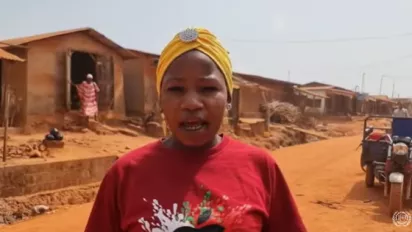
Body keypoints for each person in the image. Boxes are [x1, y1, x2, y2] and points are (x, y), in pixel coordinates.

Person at [84, 28, 307, 232]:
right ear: (160, 99)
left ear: (228, 97)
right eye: (176, 89)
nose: (191, 103)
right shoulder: (125, 174)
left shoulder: (260, 168)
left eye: (208, 89)